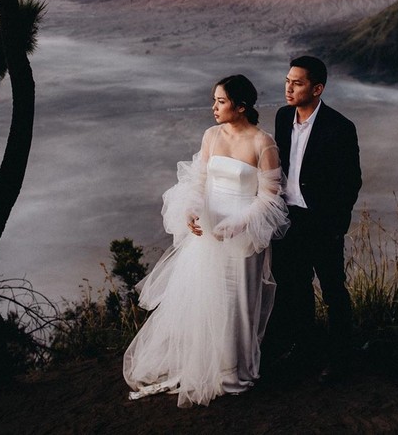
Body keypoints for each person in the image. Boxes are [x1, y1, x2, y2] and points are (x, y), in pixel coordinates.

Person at [123, 74, 289, 408]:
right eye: (214, 100)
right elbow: (198, 182)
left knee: (239, 303)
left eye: (221, 101)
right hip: (208, 234)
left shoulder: (262, 142)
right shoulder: (211, 136)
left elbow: (271, 198)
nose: (213, 107)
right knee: (207, 299)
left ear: (241, 106)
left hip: (243, 234)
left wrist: (238, 224)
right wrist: (191, 211)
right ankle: (205, 365)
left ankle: (234, 372)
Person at [268, 55, 362, 385]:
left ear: (317, 88)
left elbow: (351, 182)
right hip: (288, 219)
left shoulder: (340, 127)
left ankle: (340, 359)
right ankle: (305, 348)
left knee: (334, 291)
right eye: (287, 80)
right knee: (295, 289)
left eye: (298, 83)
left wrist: (336, 226)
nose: (289, 88)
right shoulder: (282, 117)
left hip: (322, 223)